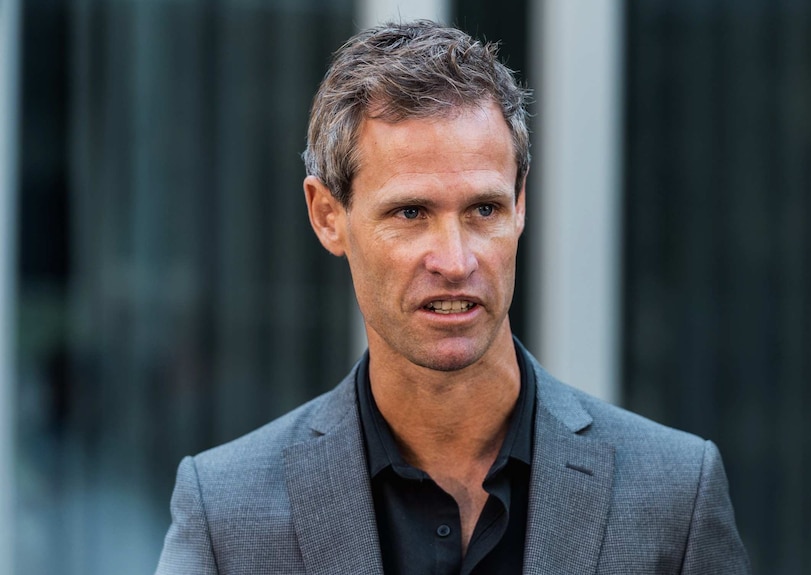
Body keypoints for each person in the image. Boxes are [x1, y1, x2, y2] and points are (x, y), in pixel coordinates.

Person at [155, 20, 750, 574]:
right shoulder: (225, 515)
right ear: (327, 216)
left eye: (483, 209)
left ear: (521, 205)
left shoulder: (676, 496)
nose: (456, 261)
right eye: (411, 213)